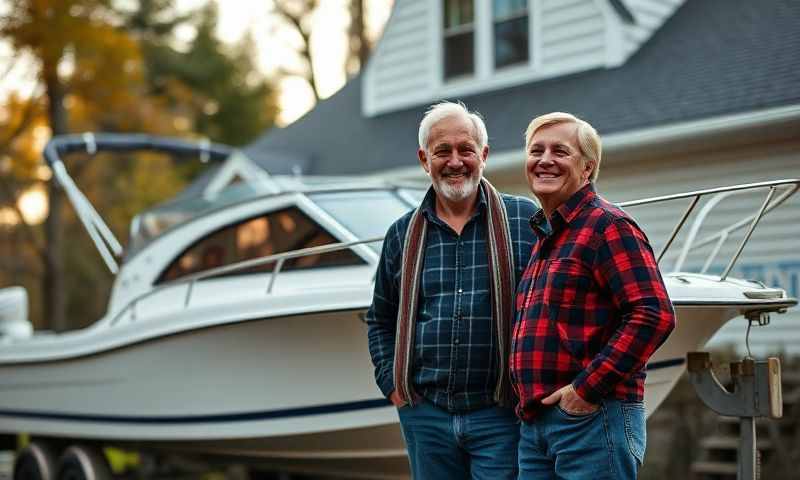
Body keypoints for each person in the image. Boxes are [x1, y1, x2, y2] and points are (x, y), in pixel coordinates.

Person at [366, 101, 538, 479]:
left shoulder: (526, 221)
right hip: (426, 417)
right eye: (443, 151)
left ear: (484, 155)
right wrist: (393, 385)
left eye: (466, 150)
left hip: (502, 414)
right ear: (424, 159)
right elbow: (380, 318)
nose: (455, 161)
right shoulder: (401, 234)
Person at [510, 112, 675, 479]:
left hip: (591, 419)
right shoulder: (547, 237)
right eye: (536, 150)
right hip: (537, 425)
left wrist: (584, 391)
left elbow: (653, 313)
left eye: (560, 151)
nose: (545, 160)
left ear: (587, 169)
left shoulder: (608, 226)